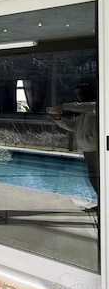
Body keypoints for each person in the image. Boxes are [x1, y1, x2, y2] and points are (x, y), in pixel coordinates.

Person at [48, 83, 99, 211]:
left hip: (97, 150)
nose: (78, 97)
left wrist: (62, 106)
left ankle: (105, 205)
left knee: (100, 178)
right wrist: (59, 119)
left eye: (80, 94)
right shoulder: (83, 113)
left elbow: (84, 107)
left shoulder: (96, 106)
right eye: (76, 95)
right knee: (94, 179)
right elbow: (72, 127)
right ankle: (102, 203)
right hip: (88, 150)